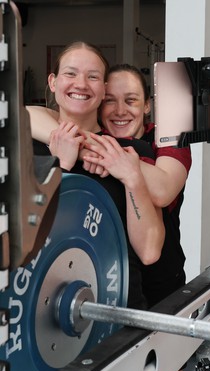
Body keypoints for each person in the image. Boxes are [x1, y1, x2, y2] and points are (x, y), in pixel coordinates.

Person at [28, 49, 192, 371]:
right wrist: (72, 156)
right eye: (70, 74)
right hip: (54, 313)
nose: (120, 110)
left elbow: (161, 196)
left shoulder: (145, 150)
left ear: (148, 106)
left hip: (149, 297)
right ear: (53, 83)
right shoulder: (38, 134)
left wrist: (129, 172)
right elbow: (27, 114)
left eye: (131, 100)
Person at [31, 41, 165, 313]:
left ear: (103, 89)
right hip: (41, 313)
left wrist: (132, 177)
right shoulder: (26, 145)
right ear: (53, 82)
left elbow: (150, 251)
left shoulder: (131, 152)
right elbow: (24, 239)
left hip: (116, 308)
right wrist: (64, 166)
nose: (81, 84)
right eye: (70, 73)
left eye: (92, 76)